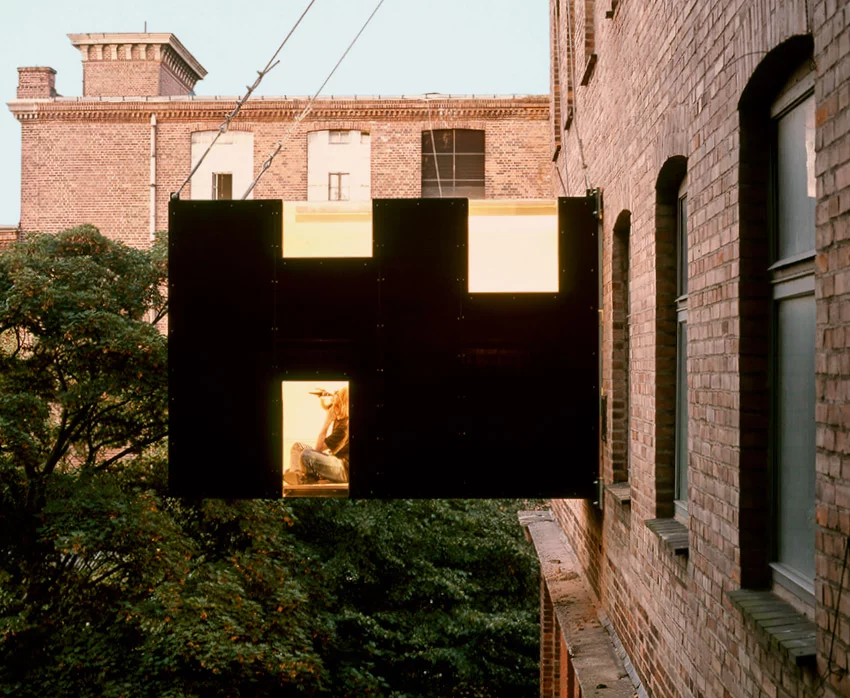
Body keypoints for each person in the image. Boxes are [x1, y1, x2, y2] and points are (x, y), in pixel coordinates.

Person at [285, 386, 349, 485]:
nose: (332, 405)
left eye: (337, 395)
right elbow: (326, 405)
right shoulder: (340, 415)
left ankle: (305, 478)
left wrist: (326, 423)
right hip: (335, 462)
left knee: (307, 455)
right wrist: (322, 397)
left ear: (341, 403)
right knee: (297, 446)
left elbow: (318, 448)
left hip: (343, 470)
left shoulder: (345, 426)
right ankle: (298, 475)